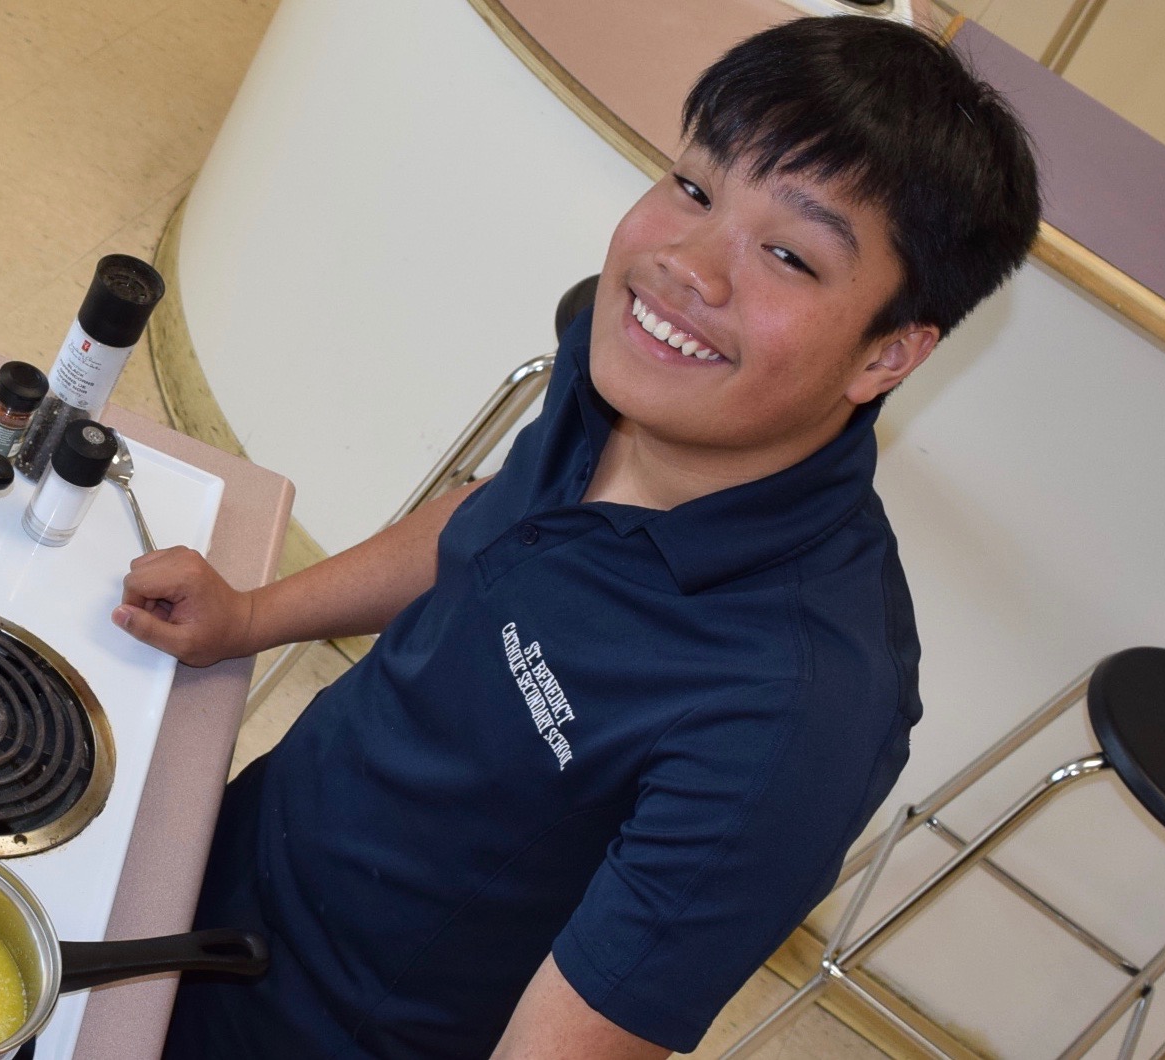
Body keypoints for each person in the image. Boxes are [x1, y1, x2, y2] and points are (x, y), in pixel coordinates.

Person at [117, 16, 1043, 1059]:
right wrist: (250, 615)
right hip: (211, 865)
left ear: (887, 355)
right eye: (694, 187)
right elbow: (494, 516)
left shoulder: (790, 716)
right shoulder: (619, 371)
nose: (687, 266)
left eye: (786, 253)